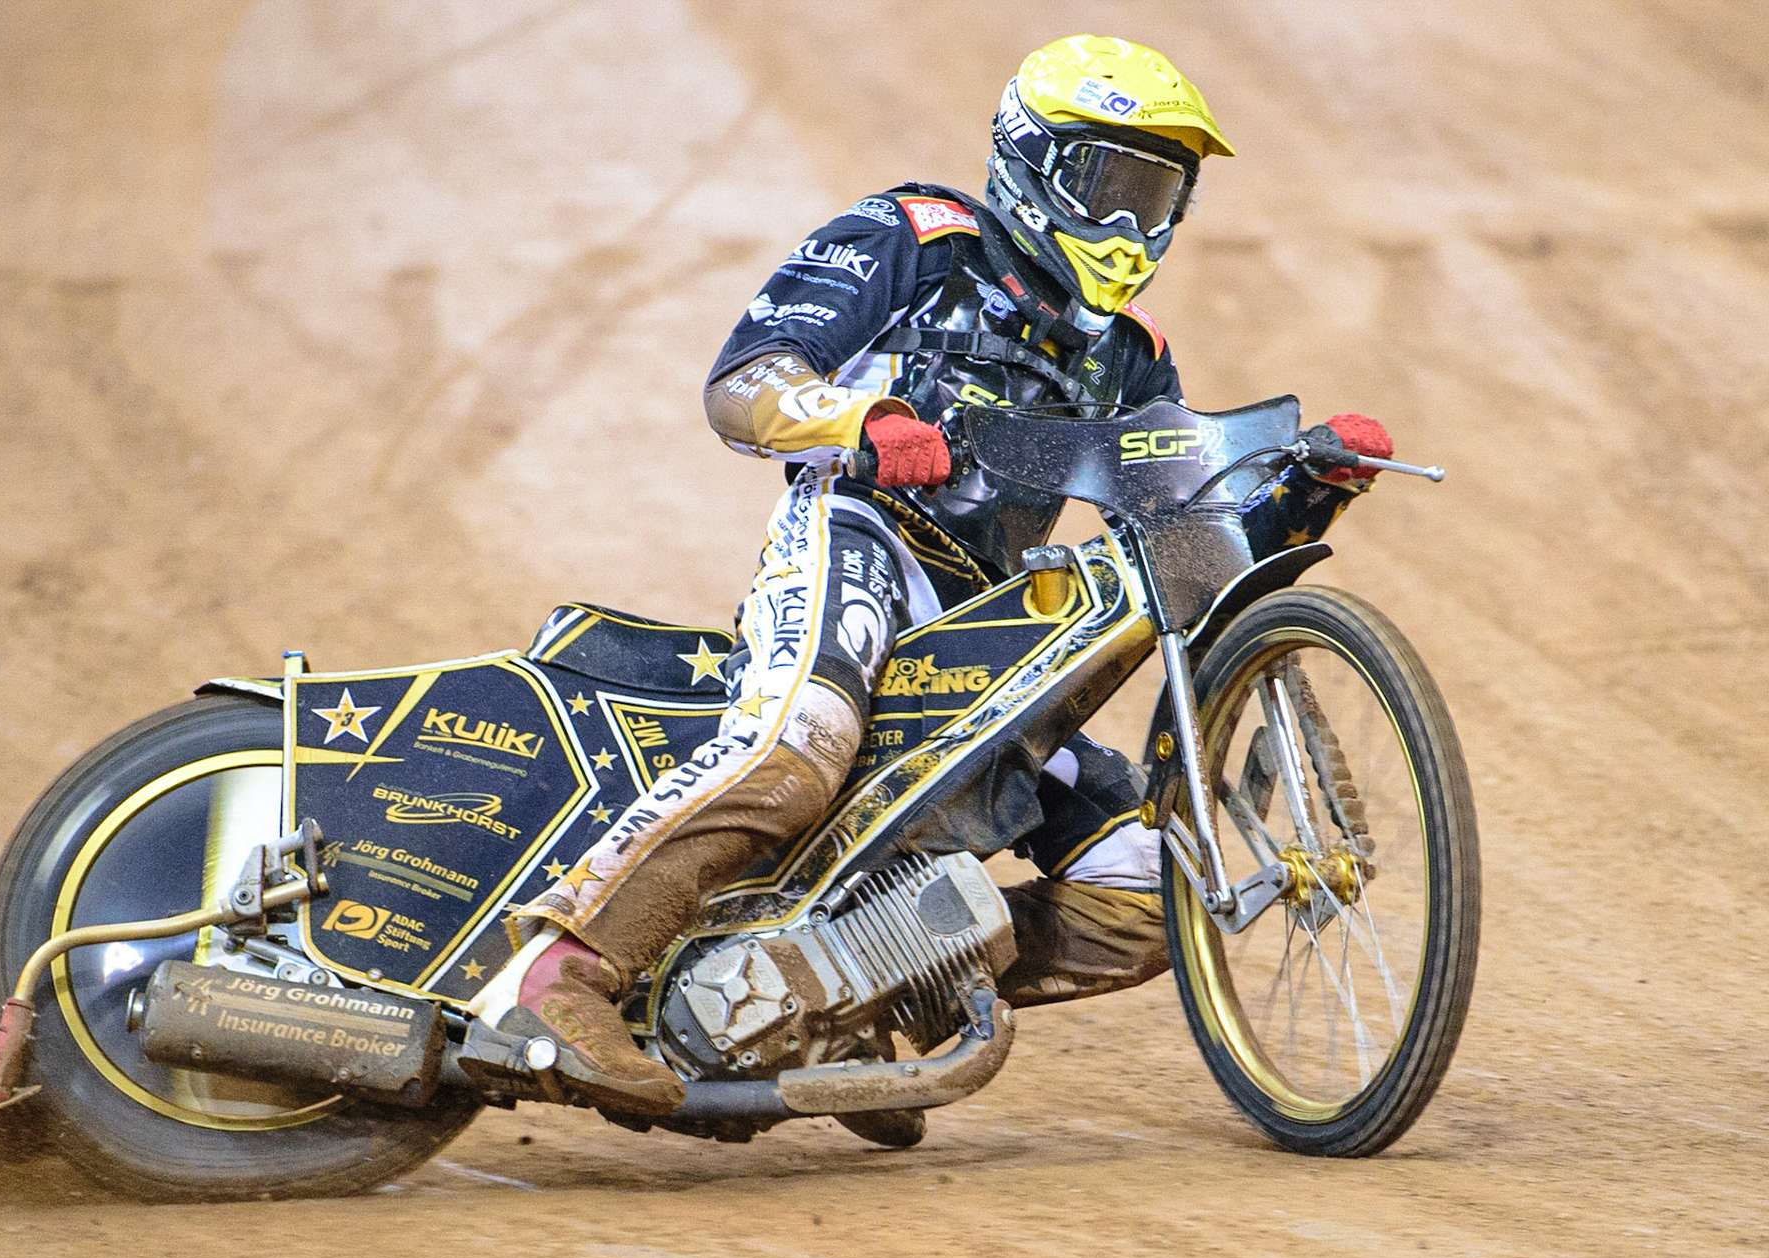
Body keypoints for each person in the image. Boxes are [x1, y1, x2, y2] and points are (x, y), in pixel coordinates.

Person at [468, 34, 1391, 1116]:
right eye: (1114, 184)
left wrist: (1300, 497)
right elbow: (744, 383)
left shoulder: (1129, 354)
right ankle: (555, 977)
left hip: (989, 621)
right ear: (1035, 162)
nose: (1137, 226)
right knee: (800, 744)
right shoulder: (916, 237)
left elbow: (1185, 542)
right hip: (858, 535)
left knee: (1150, 885)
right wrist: (865, 417)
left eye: (1161, 197)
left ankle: (846, 996)